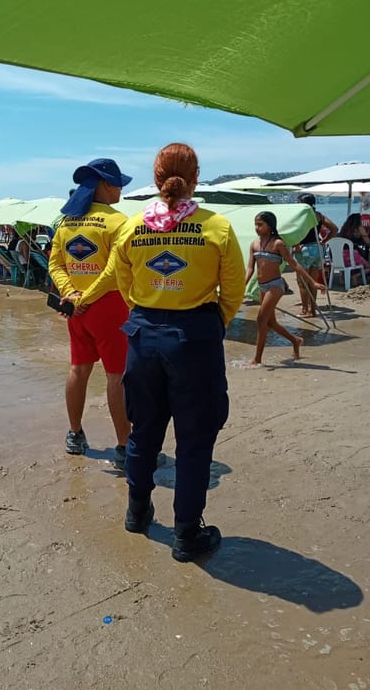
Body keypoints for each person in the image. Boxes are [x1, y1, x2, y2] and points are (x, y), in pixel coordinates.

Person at [108, 143, 245, 560]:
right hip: (195, 337)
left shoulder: (132, 227)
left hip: (144, 336)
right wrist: (211, 324)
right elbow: (234, 290)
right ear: (196, 178)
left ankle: (137, 512)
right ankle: (187, 532)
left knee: (143, 429)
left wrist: (148, 309)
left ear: (156, 179)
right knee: (194, 438)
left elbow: (124, 283)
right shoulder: (216, 227)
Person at [48, 158, 132, 469]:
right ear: (105, 185)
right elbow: (114, 271)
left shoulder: (66, 222)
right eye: (119, 184)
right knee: (117, 376)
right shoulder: (118, 222)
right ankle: (124, 447)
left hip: (75, 310)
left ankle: (74, 434)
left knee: (78, 370)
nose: (121, 190)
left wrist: (71, 294)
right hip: (109, 307)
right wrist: (89, 297)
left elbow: (55, 264)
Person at [245, 212, 325, 365]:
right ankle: (295, 340)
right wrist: (242, 285)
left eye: (260, 225)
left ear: (270, 226)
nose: (257, 228)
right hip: (262, 287)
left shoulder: (278, 244)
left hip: (275, 285)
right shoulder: (254, 244)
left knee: (261, 319)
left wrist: (313, 282)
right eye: (255, 224)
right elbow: (250, 269)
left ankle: (257, 359)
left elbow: (294, 264)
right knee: (270, 323)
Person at [294, 193, 337, 317]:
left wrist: (296, 245)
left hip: (304, 249)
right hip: (317, 248)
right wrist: (324, 241)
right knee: (312, 282)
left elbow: (295, 231)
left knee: (302, 282)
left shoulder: (301, 216)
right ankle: (313, 310)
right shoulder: (318, 215)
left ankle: (305, 310)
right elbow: (334, 229)